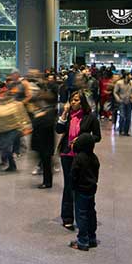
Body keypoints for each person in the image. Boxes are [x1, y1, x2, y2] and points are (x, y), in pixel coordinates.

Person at [56, 91, 99, 231]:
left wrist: (83, 140)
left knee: (81, 187)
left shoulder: (90, 117)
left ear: (82, 102)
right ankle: (67, 217)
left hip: (82, 156)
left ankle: (82, 215)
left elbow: (97, 136)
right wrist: (63, 114)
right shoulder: (68, 116)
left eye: (75, 100)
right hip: (67, 154)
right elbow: (58, 130)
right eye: (71, 100)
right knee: (68, 185)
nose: (73, 102)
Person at [69, 134, 99, 251]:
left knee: (81, 215)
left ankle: (82, 241)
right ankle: (92, 238)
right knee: (91, 213)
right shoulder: (94, 157)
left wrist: (73, 187)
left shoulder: (79, 158)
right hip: (91, 190)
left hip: (80, 190)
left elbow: (73, 175)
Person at [29, 89, 58, 189]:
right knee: (45, 162)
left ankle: (47, 182)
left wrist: (37, 118)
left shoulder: (49, 113)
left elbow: (46, 124)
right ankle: (46, 180)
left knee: (46, 163)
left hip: (45, 142)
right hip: (43, 142)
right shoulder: (45, 112)